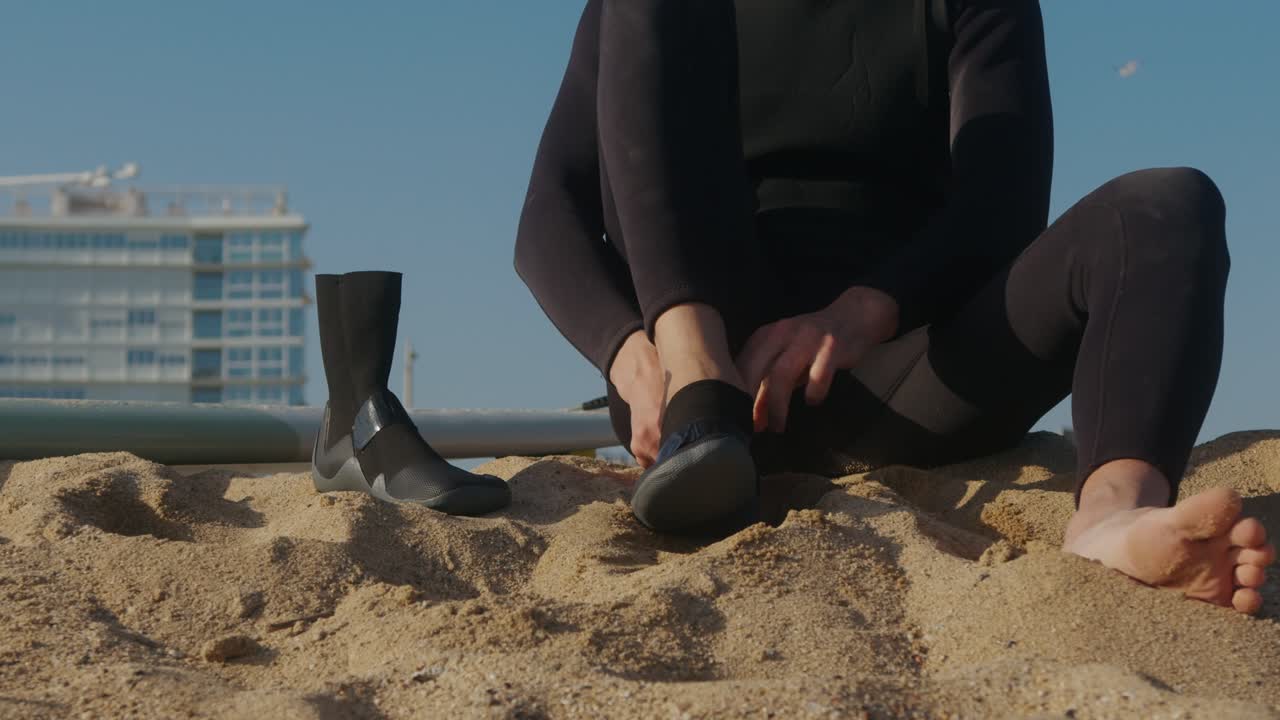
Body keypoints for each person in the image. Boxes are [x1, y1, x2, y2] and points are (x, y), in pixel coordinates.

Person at [513, 0, 1274, 613]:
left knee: (1168, 204)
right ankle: (697, 389)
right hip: (695, 382)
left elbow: (1002, 206)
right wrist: (631, 353)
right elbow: (551, 215)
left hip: (903, 370)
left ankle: (1115, 513)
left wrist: (856, 315)